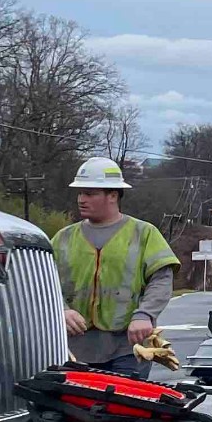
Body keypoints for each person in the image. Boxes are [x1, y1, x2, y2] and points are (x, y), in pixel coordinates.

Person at [51, 157, 178, 380]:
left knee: (123, 408)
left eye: (90, 194)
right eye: (80, 193)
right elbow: (44, 281)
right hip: (73, 348)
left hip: (128, 347)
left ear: (113, 195)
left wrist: (144, 315)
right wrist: (60, 309)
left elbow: (162, 279)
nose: (81, 199)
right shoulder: (63, 238)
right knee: (78, 410)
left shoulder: (144, 233)